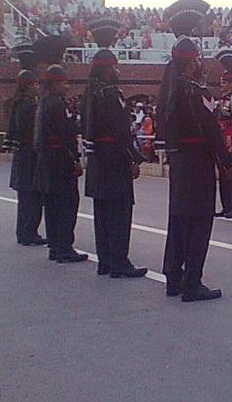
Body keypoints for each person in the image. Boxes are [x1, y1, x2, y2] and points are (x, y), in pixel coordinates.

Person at [158, 0, 232, 302]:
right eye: (199, 59)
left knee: (178, 219)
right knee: (200, 221)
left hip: (179, 162)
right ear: (192, 63)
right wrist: (225, 161)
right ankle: (193, 282)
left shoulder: (172, 88)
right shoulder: (195, 91)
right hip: (198, 165)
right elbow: (210, 131)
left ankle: (173, 277)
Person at [82, 18, 148, 278]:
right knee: (120, 214)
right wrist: (134, 158)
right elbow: (121, 132)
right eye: (115, 66)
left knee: (103, 216)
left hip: (99, 162)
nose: (118, 70)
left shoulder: (90, 93)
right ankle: (119, 262)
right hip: (113, 162)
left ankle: (106, 261)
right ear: (108, 69)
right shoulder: (110, 94)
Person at [34, 62, 87, 263]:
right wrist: (74, 160)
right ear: (55, 83)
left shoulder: (44, 102)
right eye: (64, 82)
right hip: (60, 162)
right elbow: (65, 135)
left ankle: (55, 246)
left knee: (52, 207)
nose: (67, 86)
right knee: (67, 205)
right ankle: (64, 246)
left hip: (47, 161)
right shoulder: (58, 104)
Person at [3, 43, 45, 247]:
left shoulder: (19, 103)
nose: (38, 87)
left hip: (23, 156)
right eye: (35, 84)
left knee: (26, 200)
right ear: (29, 86)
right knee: (31, 198)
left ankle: (25, 232)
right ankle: (28, 232)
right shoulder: (29, 106)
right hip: (29, 156)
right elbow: (32, 132)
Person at [214, 49, 232, 219]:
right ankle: (225, 205)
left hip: (231, 138)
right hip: (221, 139)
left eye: (224, 82)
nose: (222, 85)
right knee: (224, 172)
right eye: (221, 82)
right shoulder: (221, 100)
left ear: (231, 84)